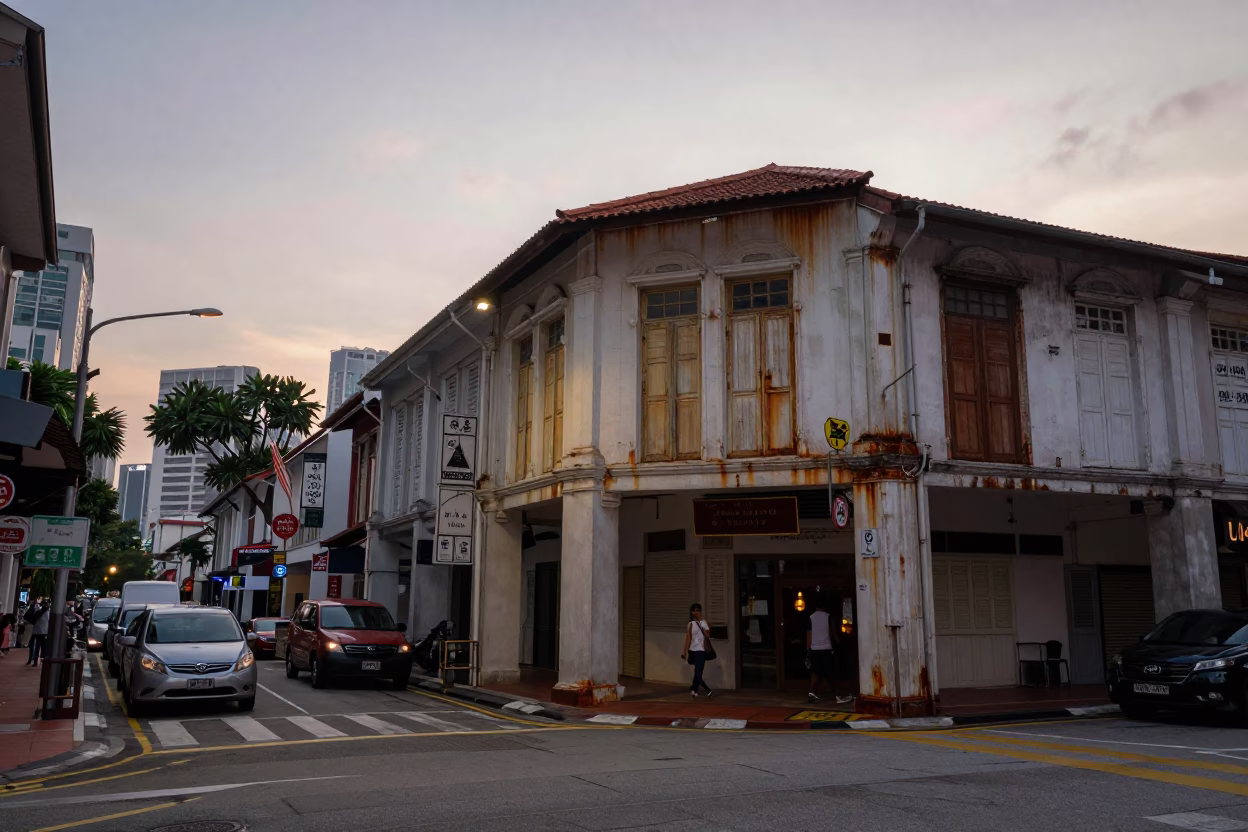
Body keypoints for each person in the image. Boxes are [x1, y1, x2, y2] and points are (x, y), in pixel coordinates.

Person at [806, 595, 853, 704]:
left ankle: (811, 693)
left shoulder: (811, 617)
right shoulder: (828, 617)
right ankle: (838, 695)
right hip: (826, 649)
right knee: (831, 672)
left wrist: (808, 650)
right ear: (825, 606)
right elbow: (833, 634)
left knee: (815, 672)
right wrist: (839, 643)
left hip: (814, 649)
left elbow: (809, 634)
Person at [681, 602, 714, 699]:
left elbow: (708, 633)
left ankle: (699, 689)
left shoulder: (703, 622)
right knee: (698, 672)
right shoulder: (690, 624)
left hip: (702, 650)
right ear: (691, 612)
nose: (695, 613)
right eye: (694, 611)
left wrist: (702, 618)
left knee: (698, 672)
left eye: (698, 611)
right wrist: (684, 651)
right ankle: (699, 689)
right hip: (692, 650)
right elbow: (688, 638)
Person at [26, 599, 49, 666]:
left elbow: (32, 619)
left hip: (37, 631)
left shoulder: (38, 612)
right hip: (43, 631)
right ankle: (39, 659)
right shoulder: (47, 613)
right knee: (41, 646)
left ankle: (32, 659)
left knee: (34, 645)